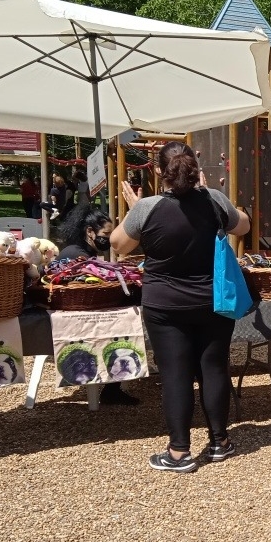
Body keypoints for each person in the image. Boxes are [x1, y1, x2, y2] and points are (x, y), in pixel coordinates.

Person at [110, 141, 251, 473]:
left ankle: (179, 452)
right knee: (214, 368)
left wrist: (135, 211)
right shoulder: (214, 200)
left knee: (176, 374)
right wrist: (210, 194)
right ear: (194, 168)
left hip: (165, 304)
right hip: (212, 300)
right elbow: (242, 225)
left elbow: (118, 245)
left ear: (160, 171)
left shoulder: (147, 207)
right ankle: (219, 442)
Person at [57, 205, 140, 406]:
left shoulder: (81, 252)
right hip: (75, 319)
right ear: (89, 231)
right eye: (106, 233)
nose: (109, 239)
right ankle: (112, 388)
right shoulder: (78, 255)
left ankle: (114, 387)